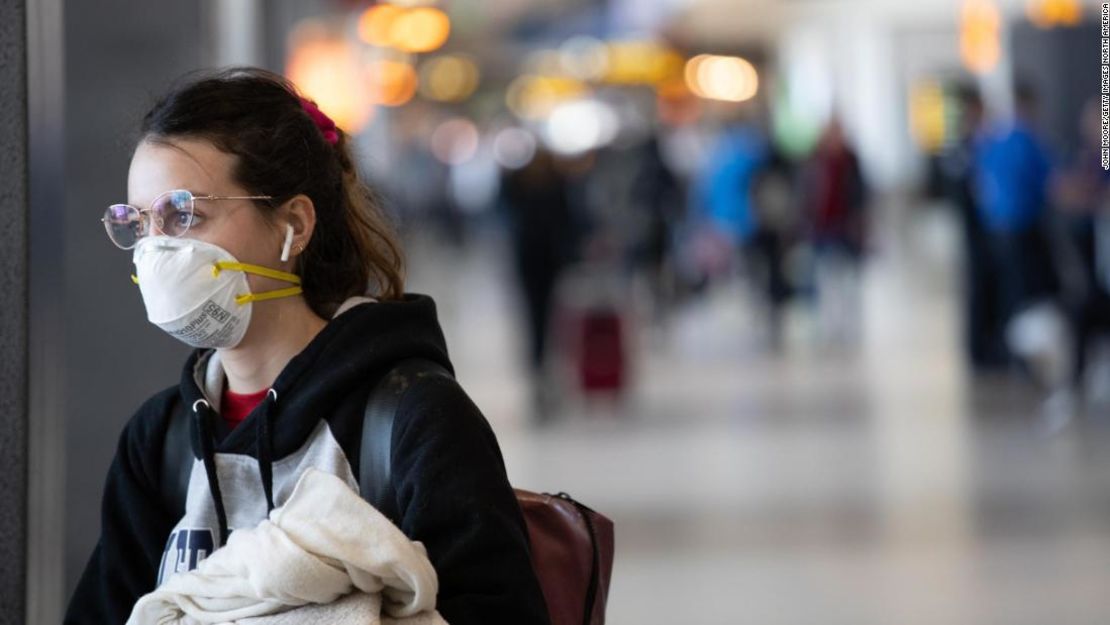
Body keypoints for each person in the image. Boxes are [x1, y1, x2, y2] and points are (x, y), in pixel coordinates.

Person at [64, 68, 551, 624]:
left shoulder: (412, 420)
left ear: (292, 224)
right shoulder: (161, 440)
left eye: (184, 215)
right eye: (140, 222)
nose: (155, 251)